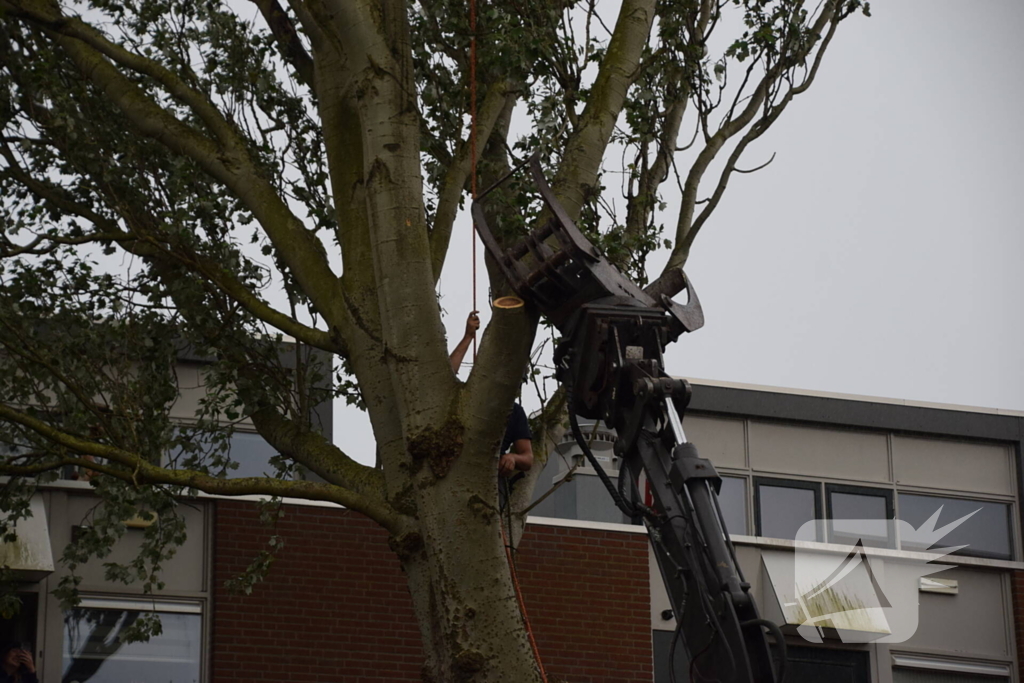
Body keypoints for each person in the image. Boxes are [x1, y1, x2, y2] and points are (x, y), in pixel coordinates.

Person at [449, 311, 533, 481]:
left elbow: (528, 457)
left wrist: (512, 458)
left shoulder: (514, 413)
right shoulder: (464, 398)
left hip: (490, 478)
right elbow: (446, 375)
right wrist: (468, 337)